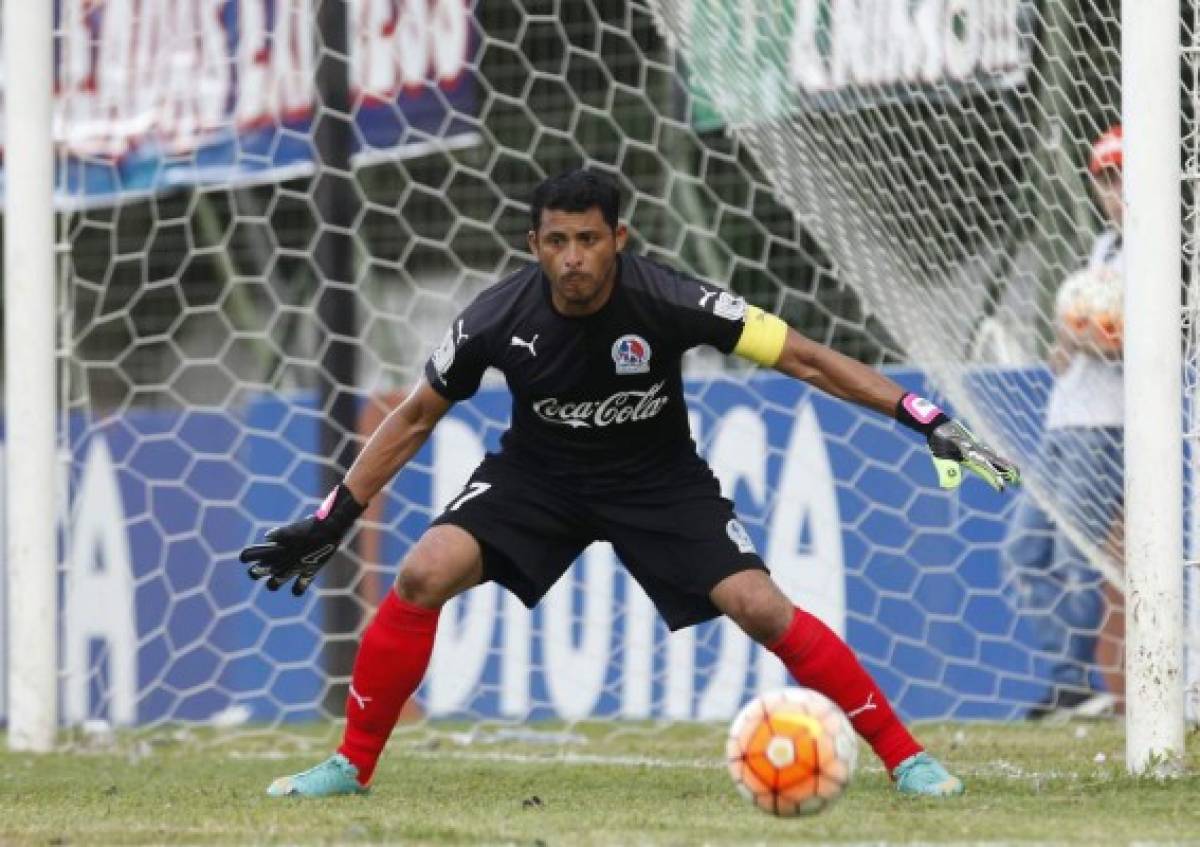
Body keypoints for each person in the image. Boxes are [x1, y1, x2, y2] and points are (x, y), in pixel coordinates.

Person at [240, 169, 1020, 798]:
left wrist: (918, 413)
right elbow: (413, 417)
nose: (573, 257)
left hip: (658, 482)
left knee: (759, 604)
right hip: (537, 477)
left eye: (588, 239)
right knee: (420, 572)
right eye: (556, 241)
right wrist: (334, 515)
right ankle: (349, 765)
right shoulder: (492, 318)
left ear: (619, 237)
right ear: (534, 244)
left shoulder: (672, 299)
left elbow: (806, 358)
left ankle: (906, 757)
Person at [1002, 125, 1125, 719]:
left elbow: (1170, 345)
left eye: (1124, 177)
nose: (1115, 191)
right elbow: (1087, 328)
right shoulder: (1104, 247)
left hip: (1105, 423)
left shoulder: (1168, 254)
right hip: (1063, 418)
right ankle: (1069, 676)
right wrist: (1068, 343)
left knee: (1077, 557)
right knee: (1024, 550)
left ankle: (1080, 685)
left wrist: (1106, 342)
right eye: (1106, 179)